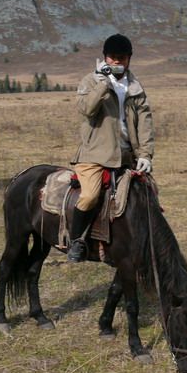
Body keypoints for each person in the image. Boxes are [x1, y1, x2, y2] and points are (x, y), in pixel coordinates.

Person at [68, 34, 154, 262]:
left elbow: (144, 121)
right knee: (89, 196)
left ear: (129, 59)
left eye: (122, 58)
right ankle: (75, 241)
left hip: (128, 157)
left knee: (149, 194)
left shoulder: (135, 86)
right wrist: (103, 84)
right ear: (105, 58)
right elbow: (86, 109)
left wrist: (145, 154)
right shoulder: (89, 81)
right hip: (95, 156)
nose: (117, 63)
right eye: (112, 58)